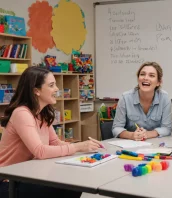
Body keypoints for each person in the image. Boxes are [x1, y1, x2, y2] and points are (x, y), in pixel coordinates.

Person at [0, 67, 102, 198]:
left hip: (28, 174)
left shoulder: (42, 113)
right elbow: (40, 151)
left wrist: (85, 147)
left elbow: (55, 143)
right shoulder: (22, 113)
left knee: (74, 182)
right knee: (68, 185)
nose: (57, 89)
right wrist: (78, 147)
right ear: (36, 91)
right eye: (51, 85)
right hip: (8, 181)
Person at [112, 62, 172, 140]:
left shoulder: (164, 98)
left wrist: (147, 134)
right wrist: (132, 135)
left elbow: (167, 129)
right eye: (142, 74)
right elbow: (116, 128)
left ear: (158, 82)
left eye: (151, 75)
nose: (145, 78)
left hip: (155, 146)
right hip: (130, 145)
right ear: (138, 79)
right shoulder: (125, 98)